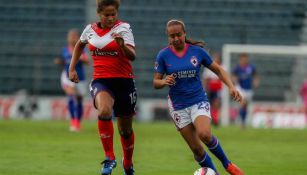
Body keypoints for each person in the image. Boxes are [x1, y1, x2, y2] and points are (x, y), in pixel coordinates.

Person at [153, 19, 244, 175]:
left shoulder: (197, 51)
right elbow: (155, 82)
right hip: (178, 106)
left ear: (184, 34)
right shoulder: (163, 55)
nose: (175, 39)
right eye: (171, 36)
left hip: (197, 100)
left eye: (178, 35)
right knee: (196, 149)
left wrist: (231, 86)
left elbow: (219, 70)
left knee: (205, 134)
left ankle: (228, 165)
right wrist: (163, 81)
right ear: (168, 37)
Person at [68, 0, 137, 174]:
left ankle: (127, 163)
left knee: (125, 130)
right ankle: (109, 158)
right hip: (101, 81)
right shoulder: (89, 29)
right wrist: (72, 67)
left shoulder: (124, 29)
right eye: (107, 15)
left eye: (113, 14)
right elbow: (79, 45)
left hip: (124, 82)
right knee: (104, 111)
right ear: (99, 14)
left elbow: (132, 56)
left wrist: (122, 46)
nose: (111, 18)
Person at [54, 29, 89, 132]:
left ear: (78, 38)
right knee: (71, 96)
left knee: (79, 101)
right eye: (70, 36)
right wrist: (59, 61)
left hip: (80, 79)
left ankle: (78, 121)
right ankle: (73, 121)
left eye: (74, 36)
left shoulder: (82, 49)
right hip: (67, 77)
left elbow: (87, 61)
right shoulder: (65, 49)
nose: (72, 38)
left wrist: (81, 58)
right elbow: (62, 60)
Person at [232, 53, 259, 129]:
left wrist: (256, 82)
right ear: (240, 59)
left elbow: (255, 75)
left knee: (245, 107)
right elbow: (233, 75)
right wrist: (234, 80)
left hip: (249, 89)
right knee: (243, 104)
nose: (244, 60)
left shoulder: (251, 67)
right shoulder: (237, 68)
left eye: (246, 58)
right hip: (240, 88)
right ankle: (241, 123)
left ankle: (243, 122)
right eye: (243, 58)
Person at [202, 52, 223, 126]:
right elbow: (205, 79)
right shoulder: (208, 68)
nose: (215, 59)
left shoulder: (222, 67)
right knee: (208, 105)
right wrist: (204, 88)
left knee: (216, 104)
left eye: (216, 58)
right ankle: (210, 119)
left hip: (218, 90)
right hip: (209, 90)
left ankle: (215, 119)